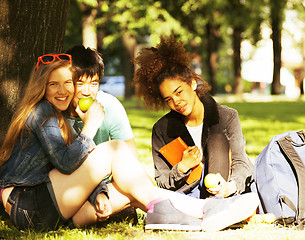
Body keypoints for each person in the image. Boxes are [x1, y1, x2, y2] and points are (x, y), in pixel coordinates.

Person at [0, 52, 259, 232]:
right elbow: (67, 165)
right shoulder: (42, 112)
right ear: (41, 87)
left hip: (52, 211)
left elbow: (71, 173)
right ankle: (201, 209)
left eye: (68, 83)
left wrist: (99, 192)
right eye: (53, 84)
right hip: (27, 205)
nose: (63, 90)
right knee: (115, 149)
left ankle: (206, 211)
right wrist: (90, 127)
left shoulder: (60, 117)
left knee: (130, 192)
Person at [133, 35, 254, 199]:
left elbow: (241, 162)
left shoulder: (227, 117)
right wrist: (182, 167)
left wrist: (230, 186)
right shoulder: (161, 130)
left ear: (193, 84)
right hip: (187, 196)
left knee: (217, 139)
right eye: (168, 99)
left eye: (179, 92)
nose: (176, 101)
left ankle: (215, 207)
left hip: (221, 192)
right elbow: (161, 181)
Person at [64, 45, 138, 157]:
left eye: (93, 83)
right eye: (79, 83)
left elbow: (131, 155)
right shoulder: (54, 110)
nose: (87, 92)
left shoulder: (109, 106)